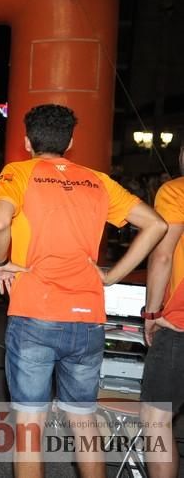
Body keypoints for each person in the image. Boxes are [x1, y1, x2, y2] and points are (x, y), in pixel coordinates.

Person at [0, 104, 166, 478]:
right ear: (70, 141)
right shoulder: (97, 179)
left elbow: (1, 221)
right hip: (87, 318)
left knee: (29, 427)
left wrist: (1, 260)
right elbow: (155, 225)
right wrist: (113, 275)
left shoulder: (18, 172)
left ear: (26, 140)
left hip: (35, 311)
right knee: (83, 419)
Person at [140, 145, 184, 478]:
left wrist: (152, 314)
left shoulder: (175, 190)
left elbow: (163, 257)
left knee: (157, 421)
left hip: (179, 323)